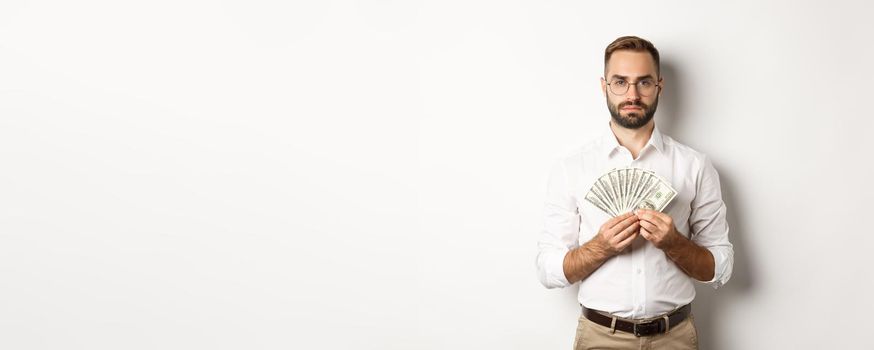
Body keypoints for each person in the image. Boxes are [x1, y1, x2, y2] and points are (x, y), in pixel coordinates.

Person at [535, 36, 734, 350]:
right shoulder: (571, 168)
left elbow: (720, 267)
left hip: (675, 338)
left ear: (659, 86)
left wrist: (674, 244)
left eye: (643, 82)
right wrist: (599, 247)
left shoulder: (695, 166)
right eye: (620, 82)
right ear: (604, 87)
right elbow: (548, 269)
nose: (632, 94)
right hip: (600, 337)